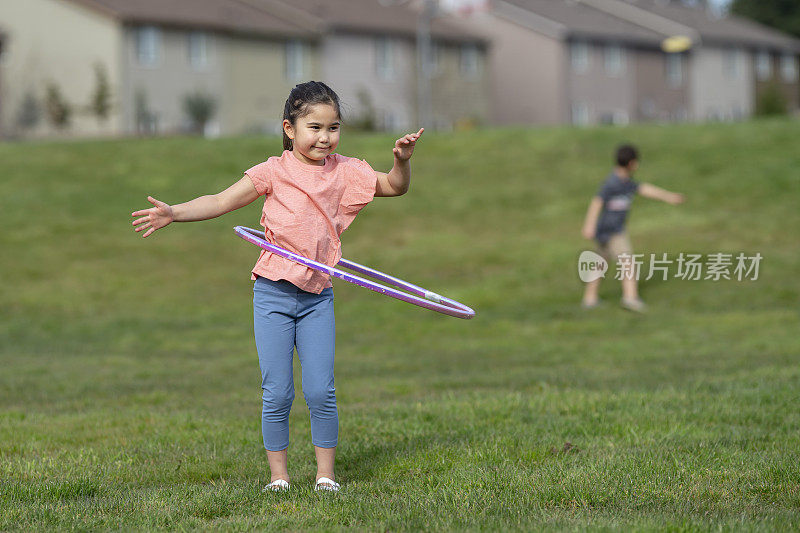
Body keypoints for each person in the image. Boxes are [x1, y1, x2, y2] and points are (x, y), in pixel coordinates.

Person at [131, 81, 424, 493]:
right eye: (315, 127)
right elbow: (219, 202)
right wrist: (173, 213)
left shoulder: (345, 171)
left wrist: (402, 160)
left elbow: (395, 186)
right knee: (278, 391)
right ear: (290, 128)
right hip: (273, 293)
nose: (325, 137)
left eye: (334, 127)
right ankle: (279, 478)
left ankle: (326, 476)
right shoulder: (274, 171)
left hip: (317, 294)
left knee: (321, 389)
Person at [580, 144, 685, 312]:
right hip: (612, 231)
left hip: (606, 231)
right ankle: (630, 298)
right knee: (628, 263)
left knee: (599, 264)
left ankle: (589, 299)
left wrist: (668, 197)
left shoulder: (626, 183)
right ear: (632, 164)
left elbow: (644, 189)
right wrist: (589, 225)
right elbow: (597, 202)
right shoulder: (612, 183)